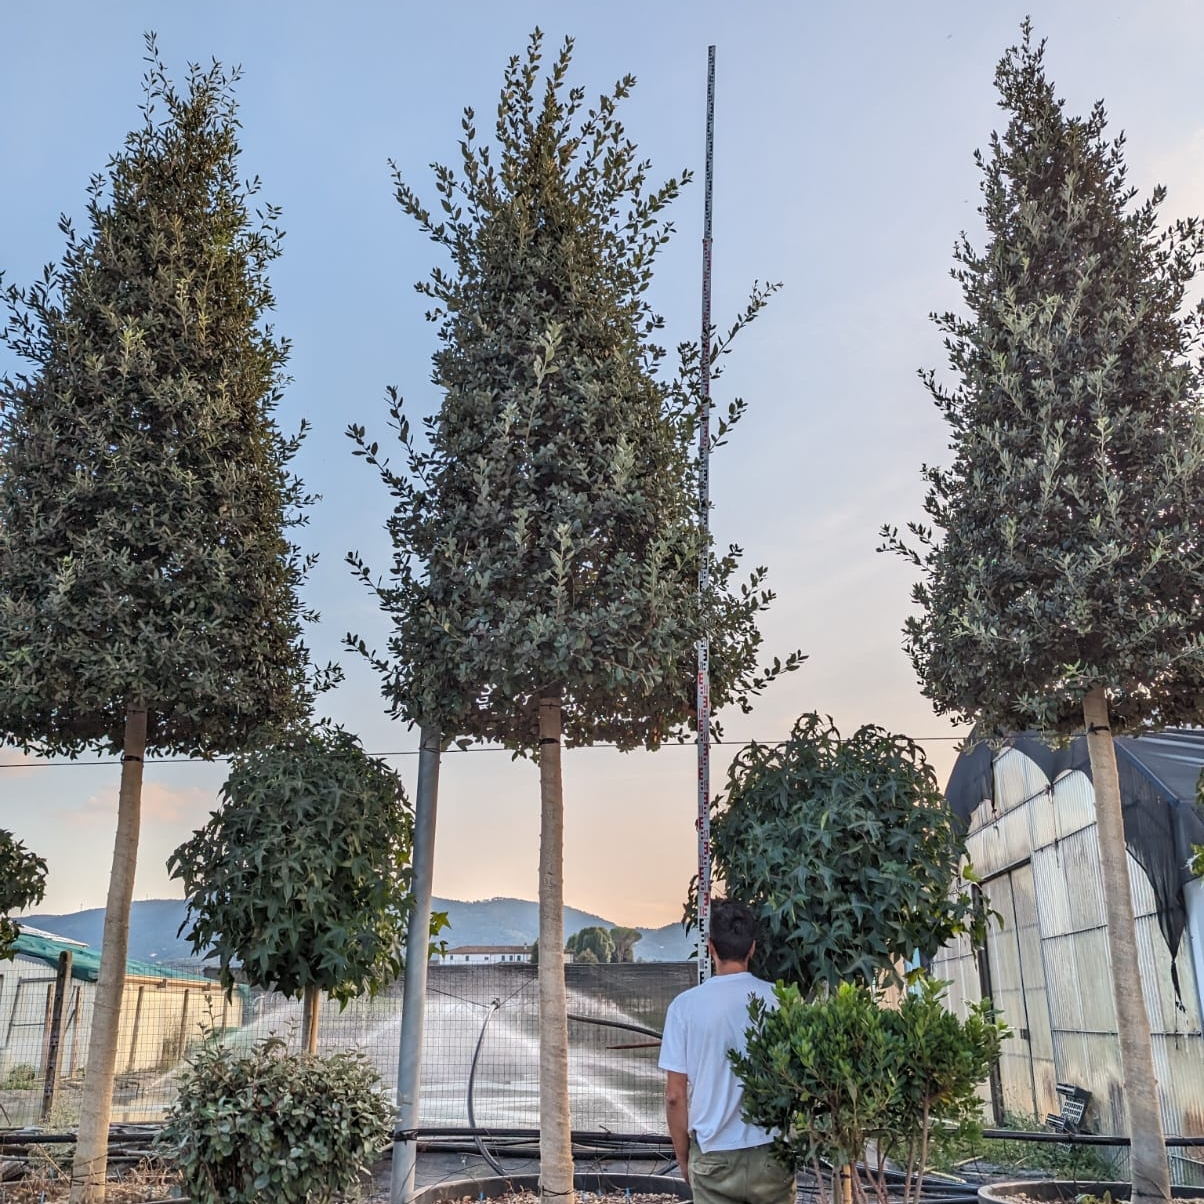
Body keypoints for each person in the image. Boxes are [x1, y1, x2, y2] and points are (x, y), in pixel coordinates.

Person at [658, 898, 794, 1204]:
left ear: (710, 947)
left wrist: (684, 1158)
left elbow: (675, 1096)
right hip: (772, 1153)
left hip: (713, 1156)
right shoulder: (781, 1000)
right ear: (752, 948)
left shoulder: (684, 1007)